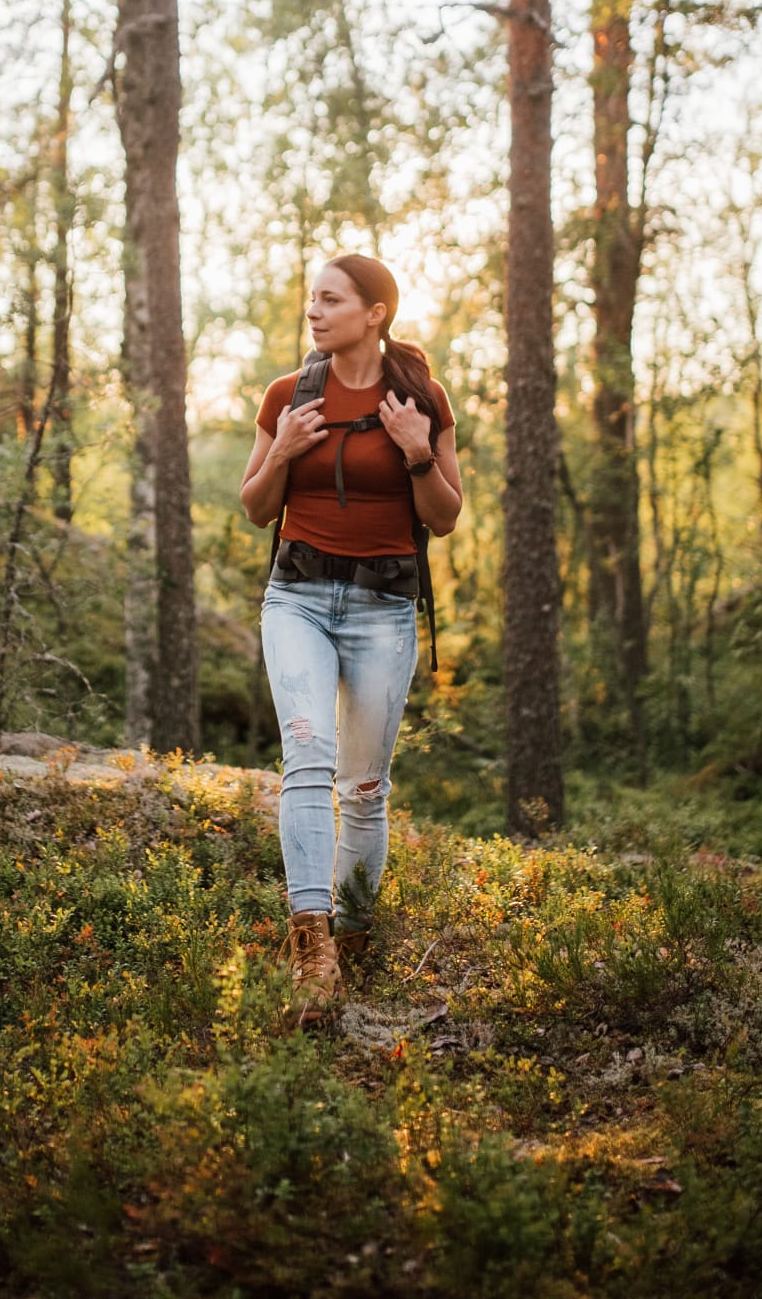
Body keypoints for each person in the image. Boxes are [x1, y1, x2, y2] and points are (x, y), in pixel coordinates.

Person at [240, 254, 462, 1026]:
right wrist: (283, 453)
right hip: (296, 598)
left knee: (364, 791)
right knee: (307, 755)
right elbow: (254, 507)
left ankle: (356, 934)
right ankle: (313, 946)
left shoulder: (420, 398)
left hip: (383, 610)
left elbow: (443, 515)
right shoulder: (287, 396)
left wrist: (416, 450)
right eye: (312, 299)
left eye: (331, 300)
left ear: (375, 312)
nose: (314, 311)